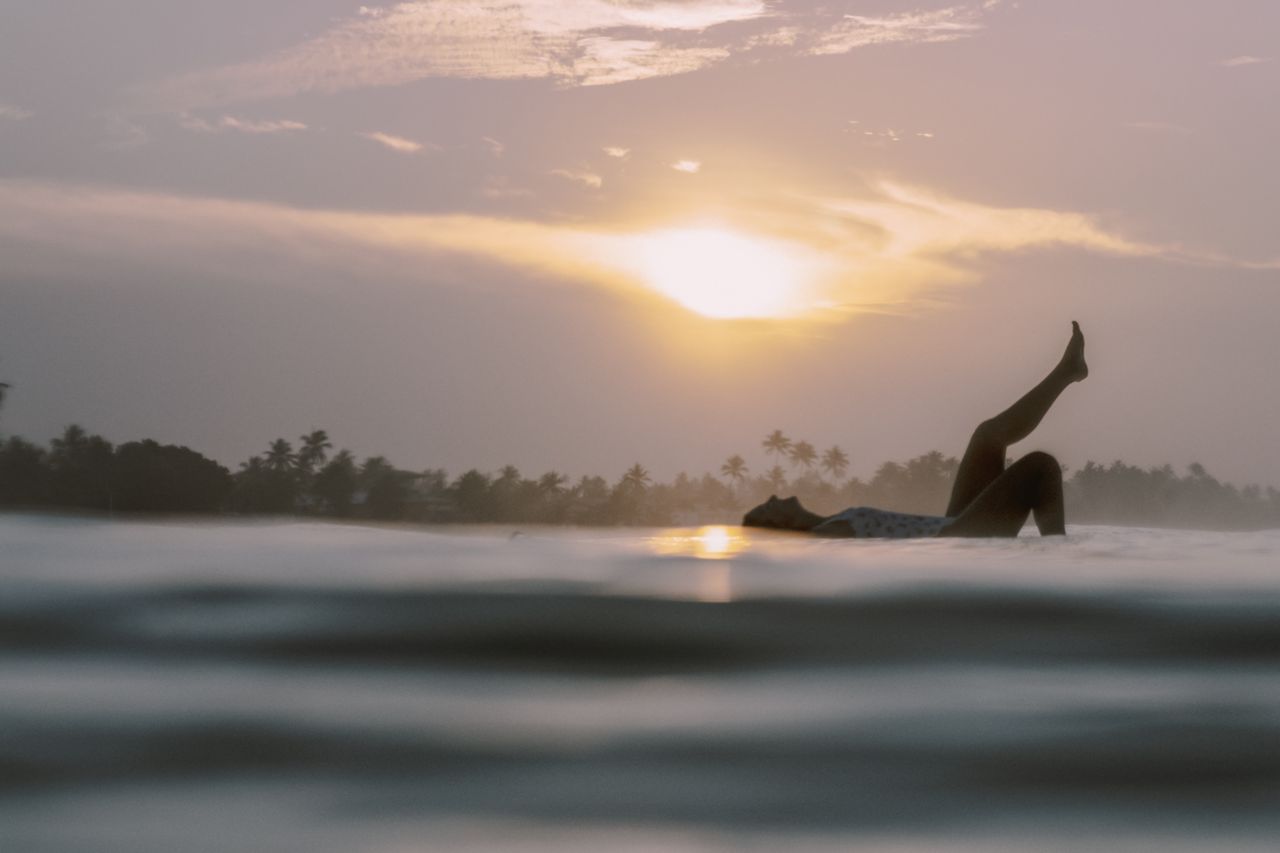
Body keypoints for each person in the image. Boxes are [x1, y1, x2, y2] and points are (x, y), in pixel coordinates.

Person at [743, 321, 1089, 538]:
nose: (772, 497)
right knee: (1040, 466)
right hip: (960, 538)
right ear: (781, 526)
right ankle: (1059, 565)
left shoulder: (831, 525)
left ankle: (1067, 371)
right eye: (765, 508)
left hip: (954, 527)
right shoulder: (827, 535)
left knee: (988, 436)